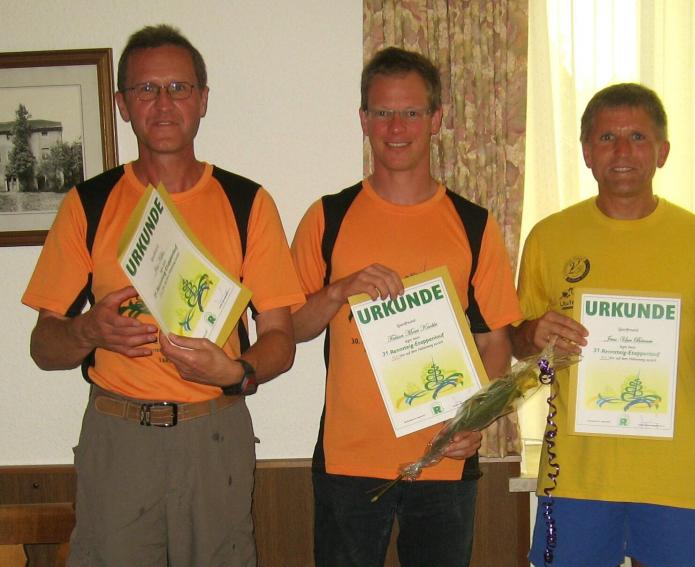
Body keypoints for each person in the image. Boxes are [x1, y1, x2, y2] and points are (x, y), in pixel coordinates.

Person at [22, 24, 304, 566]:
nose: (164, 103)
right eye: (146, 89)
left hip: (214, 433)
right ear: (123, 105)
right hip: (118, 438)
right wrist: (88, 330)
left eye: (178, 88)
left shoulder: (247, 203)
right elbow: (43, 347)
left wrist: (235, 372)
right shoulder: (89, 204)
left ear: (202, 100)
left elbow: (280, 340)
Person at [512, 82, 695, 567]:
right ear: (586, 152)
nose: (622, 151)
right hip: (577, 476)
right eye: (607, 138)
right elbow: (518, 342)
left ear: (663, 151)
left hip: (674, 477)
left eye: (637, 137)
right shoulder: (549, 238)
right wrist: (532, 333)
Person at [290, 47, 522, 567]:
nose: (396, 128)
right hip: (349, 462)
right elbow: (290, 330)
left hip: (445, 458)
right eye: (383, 112)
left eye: (411, 112)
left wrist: (475, 423)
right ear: (363, 120)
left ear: (436, 119)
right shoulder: (328, 216)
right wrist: (338, 290)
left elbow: (495, 343)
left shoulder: (473, 224)